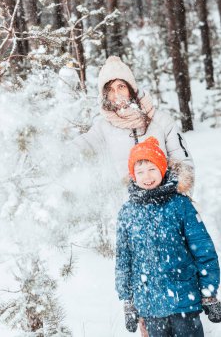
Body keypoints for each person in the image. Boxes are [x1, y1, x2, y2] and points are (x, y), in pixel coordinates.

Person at [115, 137, 221, 336]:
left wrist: (209, 293)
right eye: (140, 172)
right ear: (133, 175)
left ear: (162, 168)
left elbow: (203, 249)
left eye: (152, 169)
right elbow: (123, 259)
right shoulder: (127, 212)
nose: (147, 176)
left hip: (184, 301)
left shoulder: (180, 204)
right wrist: (128, 301)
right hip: (150, 305)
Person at [72, 56, 194, 195]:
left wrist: (178, 199)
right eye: (110, 90)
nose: (116, 94)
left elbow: (183, 163)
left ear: (131, 88)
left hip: (167, 205)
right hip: (127, 210)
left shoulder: (161, 121)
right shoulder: (102, 128)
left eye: (121, 87)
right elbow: (79, 148)